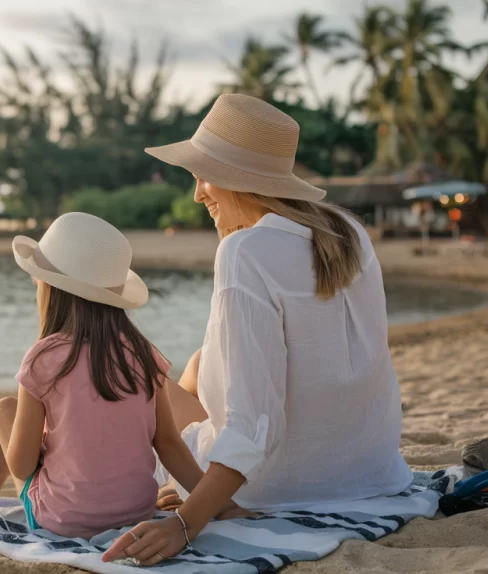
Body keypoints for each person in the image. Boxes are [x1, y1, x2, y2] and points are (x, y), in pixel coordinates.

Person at [103, 94, 414, 566]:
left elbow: (253, 426)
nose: (197, 194)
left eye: (202, 176)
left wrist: (185, 523)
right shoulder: (349, 233)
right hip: (368, 467)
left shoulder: (245, 252)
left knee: (145, 376)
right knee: (201, 362)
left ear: (235, 179)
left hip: (276, 484)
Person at [0, 212, 235, 540]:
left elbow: (21, 467)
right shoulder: (144, 354)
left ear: (50, 287)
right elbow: (168, 445)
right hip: (136, 512)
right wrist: (220, 504)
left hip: (62, 520)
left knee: (3, 410)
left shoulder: (43, 358)